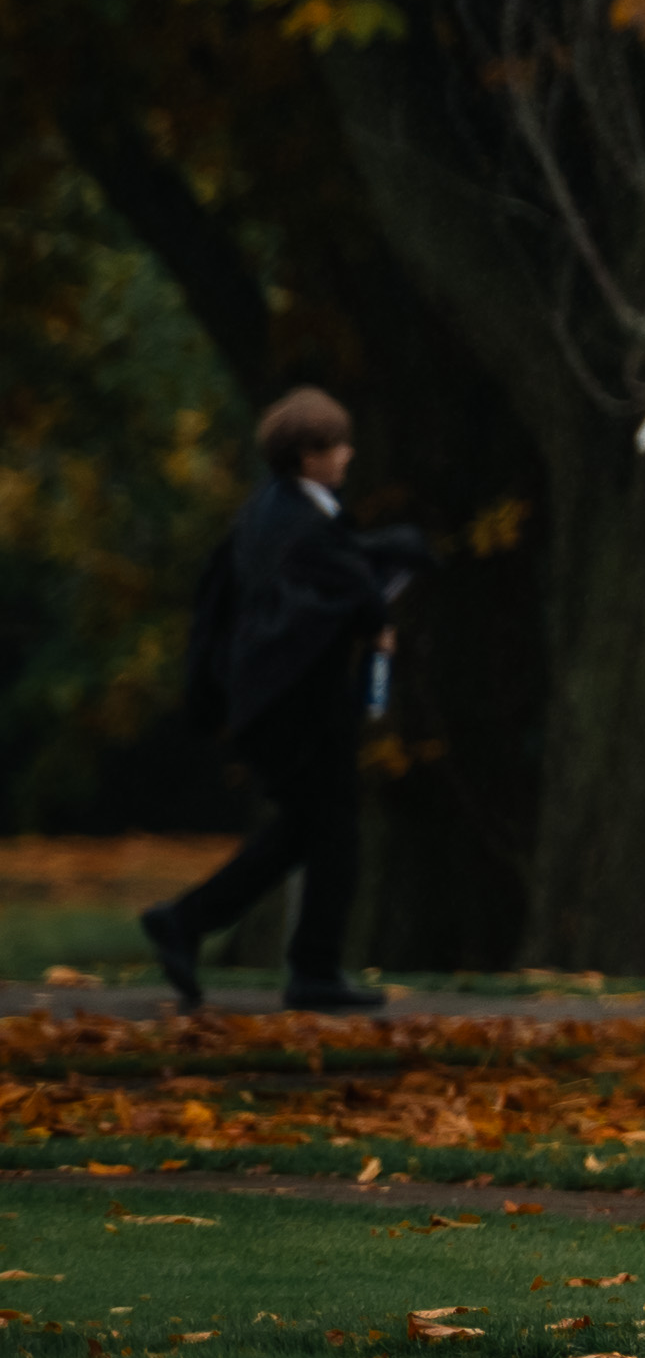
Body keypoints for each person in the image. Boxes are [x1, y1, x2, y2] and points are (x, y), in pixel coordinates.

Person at [141, 390, 420, 1016]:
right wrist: (375, 614)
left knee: (307, 830)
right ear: (308, 455)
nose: (348, 454)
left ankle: (188, 921)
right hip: (299, 710)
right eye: (336, 445)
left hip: (278, 706)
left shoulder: (274, 513)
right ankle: (307, 970)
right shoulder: (302, 525)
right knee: (333, 831)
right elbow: (340, 585)